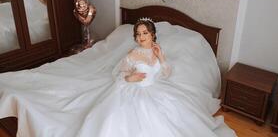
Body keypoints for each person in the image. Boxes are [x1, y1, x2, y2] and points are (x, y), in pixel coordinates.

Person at [85, 18, 237, 137]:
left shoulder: (158, 50)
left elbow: (166, 74)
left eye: (145, 33)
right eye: (138, 34)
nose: (141, 37)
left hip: (155, 88)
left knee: (174, 115)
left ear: (152, 34)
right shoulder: (133, 54)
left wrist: (162, 58)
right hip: (134, 90)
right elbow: (121, 74)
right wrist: (131, 78)